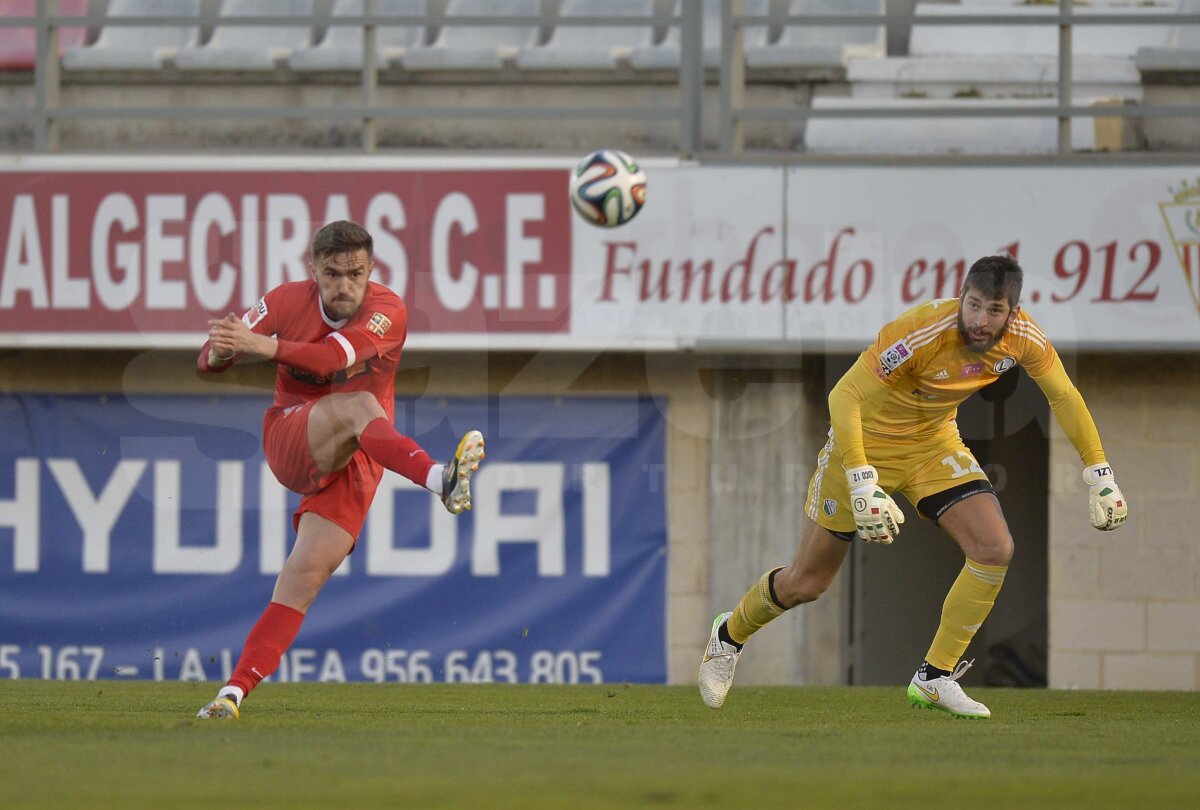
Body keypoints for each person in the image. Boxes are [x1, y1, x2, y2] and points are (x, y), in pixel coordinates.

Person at [699, 254, 1128, 719]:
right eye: (975, 305)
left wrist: (1099, 473)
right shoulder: (922, 329)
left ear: (1014, 311)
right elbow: (844, 395)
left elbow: (1063, 396)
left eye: (995, 310)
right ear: (962, 296)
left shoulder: (1025, 338)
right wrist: (862, 479)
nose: (981, 321)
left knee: (994, 547)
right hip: (861, 447)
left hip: (932, 445)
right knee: (808, 583)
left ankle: (934, 677)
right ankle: (728, 635)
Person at [193, 220, 485, 720]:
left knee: (303, 577)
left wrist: (264, 347)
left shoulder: (387, 310)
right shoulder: (285, 300)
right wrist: (221, 351)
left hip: (358, 456)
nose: (344, 285)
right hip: (291, 436)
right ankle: (441, 479)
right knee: (358, 403)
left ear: (370, 270)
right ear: (314, 270)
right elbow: (208, 359)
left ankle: (231, 694)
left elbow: (330, 360)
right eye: (332, 274)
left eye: (355, 273)